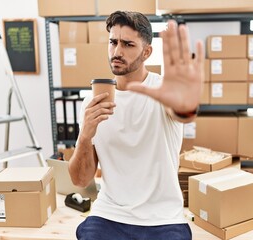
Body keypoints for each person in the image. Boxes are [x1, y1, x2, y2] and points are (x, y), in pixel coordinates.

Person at [68, 10, 204, 240]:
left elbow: (183, 110)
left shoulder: (163, 91)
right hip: (109, 215)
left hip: (163, 219)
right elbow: (80, 180)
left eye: (128, 44)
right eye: (113, 42)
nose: (117, 51)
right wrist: (84, 136)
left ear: (147, 52)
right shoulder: (91, 102)